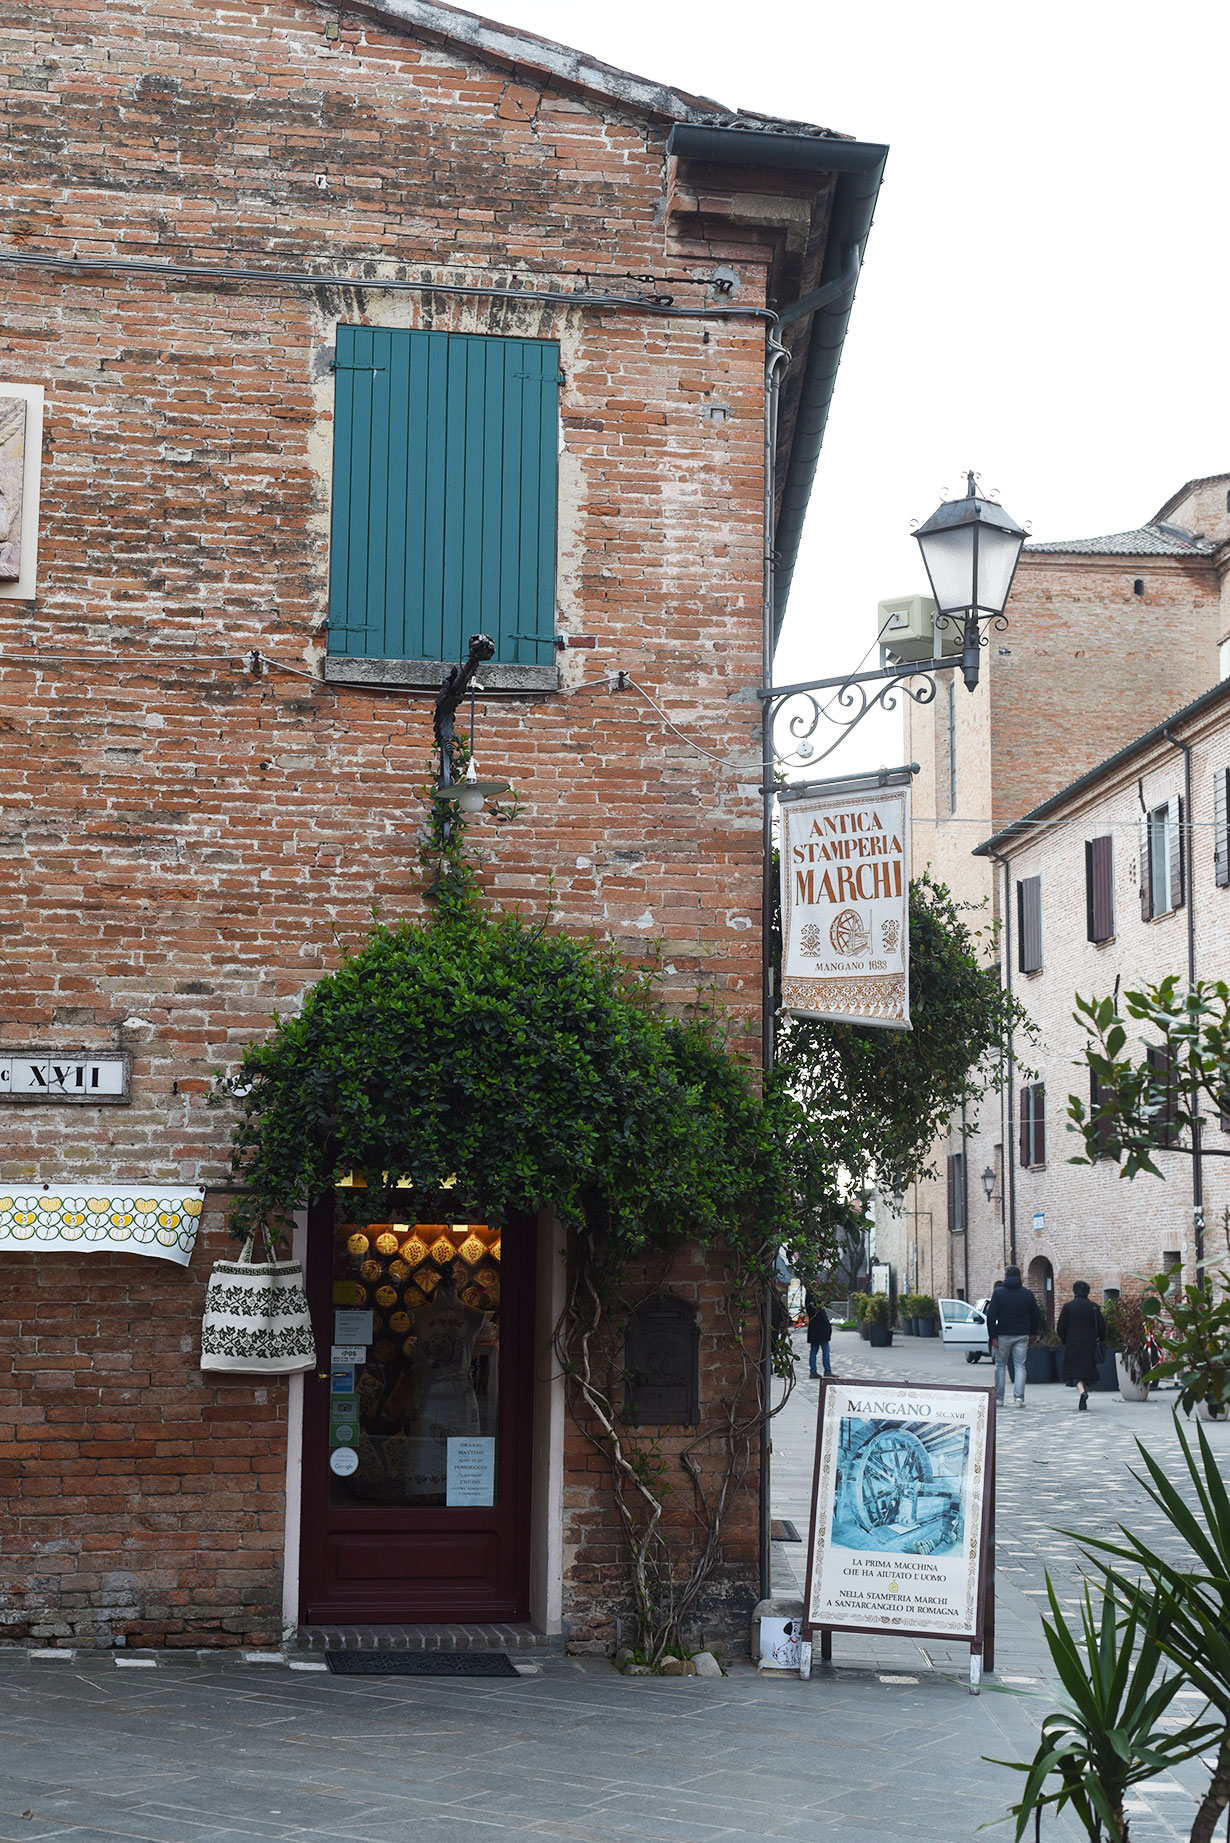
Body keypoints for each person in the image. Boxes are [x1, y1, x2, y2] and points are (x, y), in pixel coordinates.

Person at [985, 1264, 1042, 1408]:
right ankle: (1019, 1399)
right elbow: (1036, 1315)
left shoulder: (998, 1293)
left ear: (1005, 1277)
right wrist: (1032, 1332)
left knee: (1000, 1365)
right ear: (1019, 1277)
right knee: (1020, 1366)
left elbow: (991, 1316)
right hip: (1022, 1334)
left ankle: (999, 1398)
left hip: (1003, 1334)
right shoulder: (1027, 1294)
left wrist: (993, 1336)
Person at [1056, 1280, 1107, 1410]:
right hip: (1089, 1343)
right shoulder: (1094, 1307)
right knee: (1087, 1370)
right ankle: (1084, 1395)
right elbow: (1102, 1327)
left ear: (1074, 1291)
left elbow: (1060, 1327)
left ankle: (1082, 1393)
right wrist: (1100, 1339)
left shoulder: (1068, 1307)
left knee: (1075, 1371)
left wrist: (1064, 1339)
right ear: (1088, 1291)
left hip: (1073, 1343)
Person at [804, 1292, 832, 1378]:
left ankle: (813, 1371)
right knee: (825, 1350)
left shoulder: (808, 1304)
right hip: (822, 1330)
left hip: (813, 1329)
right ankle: (827, 1370)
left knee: (813, 1351)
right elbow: (822, 1317)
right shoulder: (817, 1304)